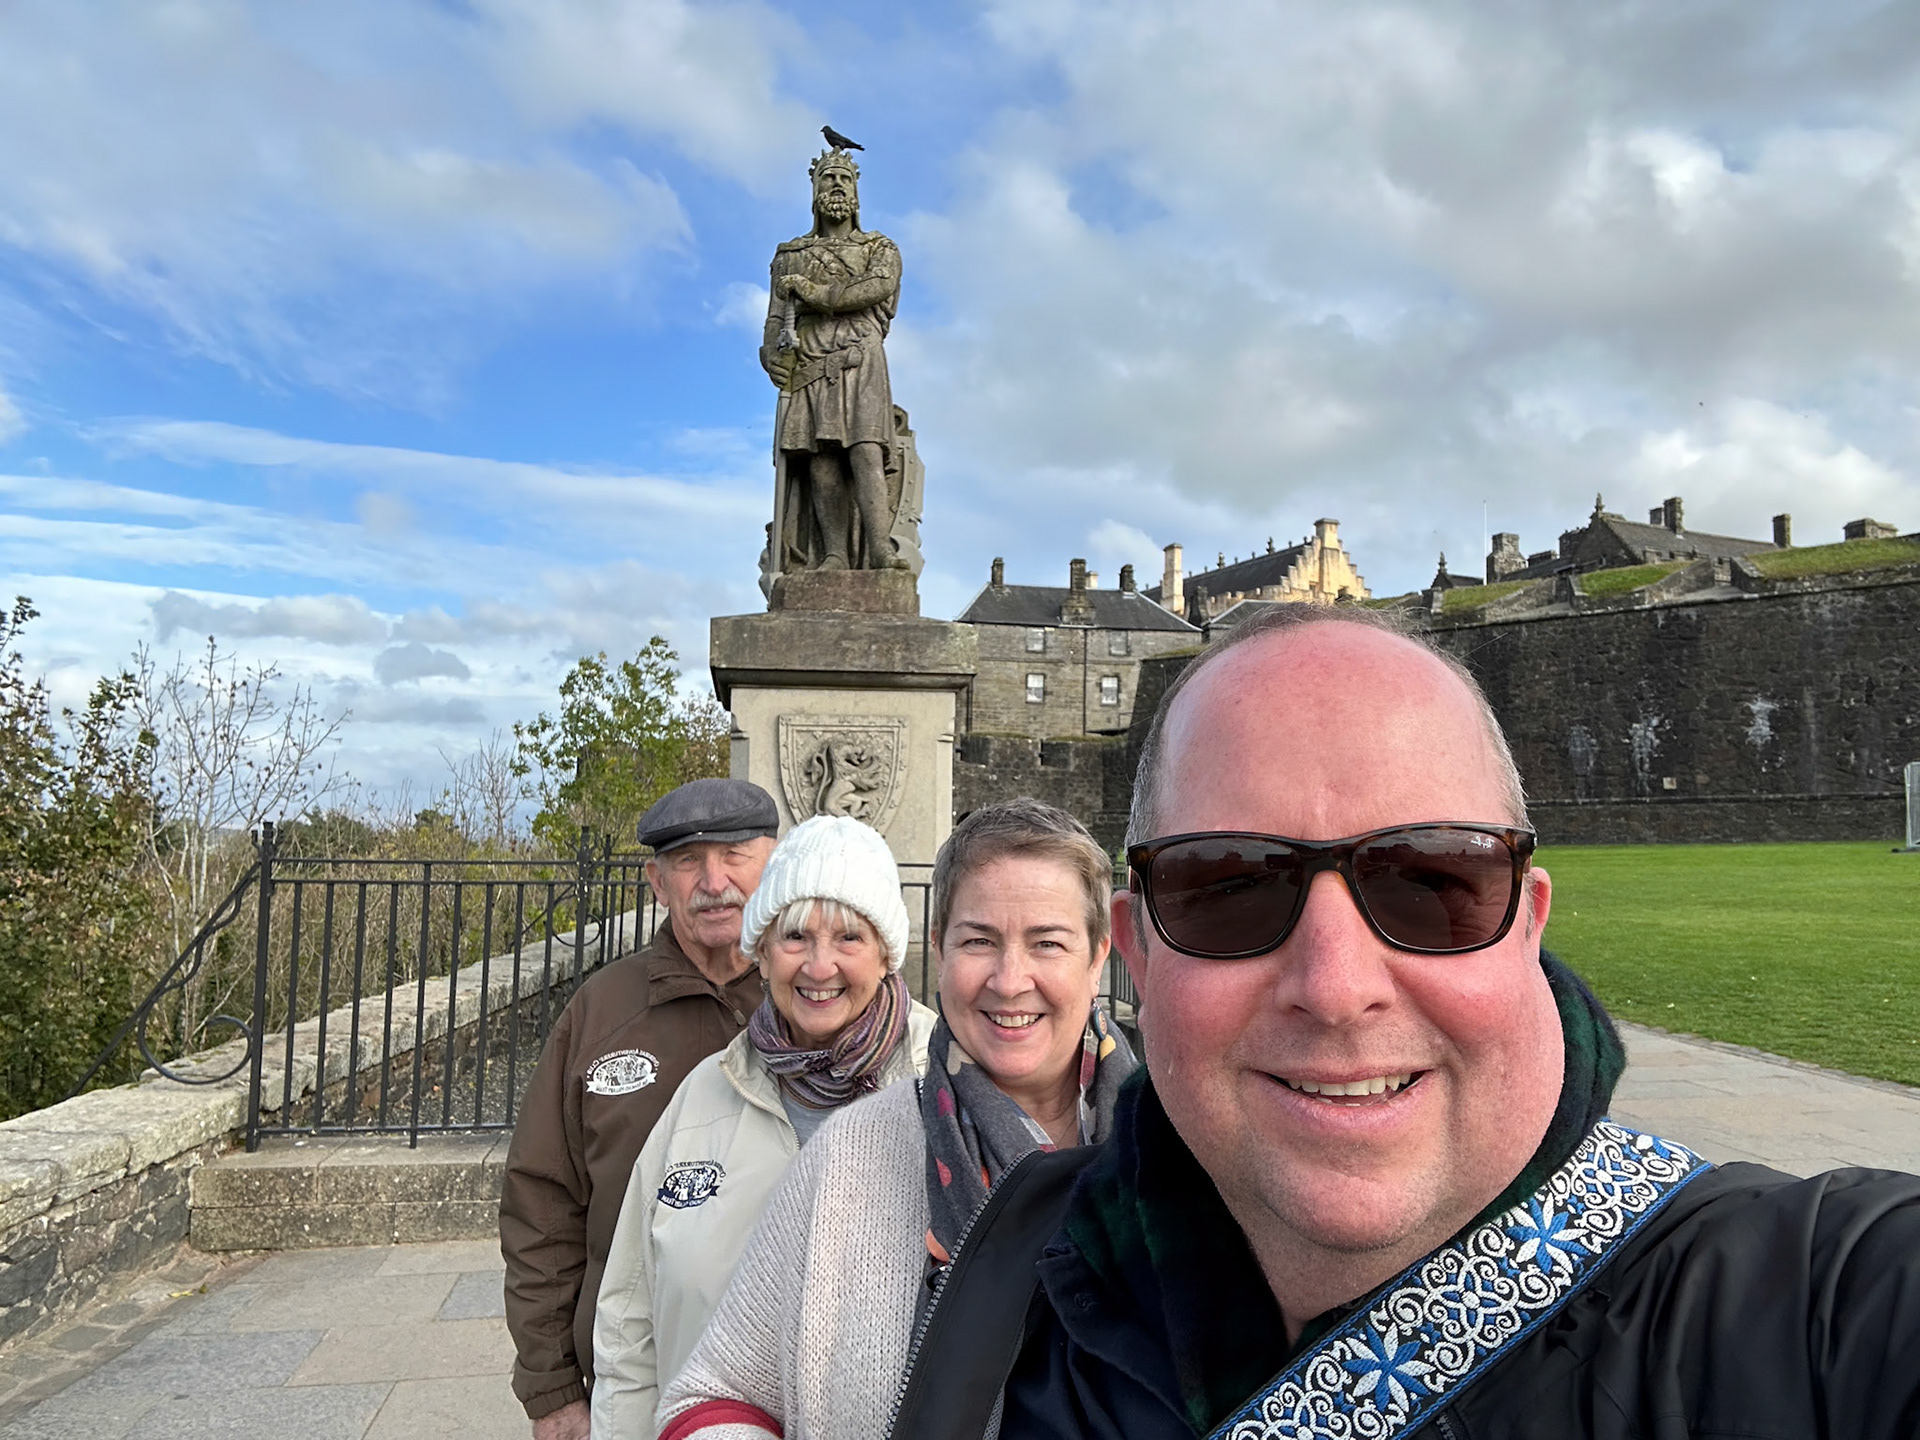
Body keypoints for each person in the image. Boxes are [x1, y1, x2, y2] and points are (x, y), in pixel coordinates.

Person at [926, 606, 1919, 1438]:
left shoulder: (1817, 1307)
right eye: (1227, 886)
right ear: (1136, 954)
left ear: (1525, 926)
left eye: (1431, 880)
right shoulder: (1016, 1269)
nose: (1336, 983)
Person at [654, 799, 1139, 1440]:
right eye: (978, 941)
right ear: (939, 948)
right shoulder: (849, 1155)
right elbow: (716, 1395)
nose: (1009, 979)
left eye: (1047, 942)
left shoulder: (1183, 1154)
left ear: (1099, 952)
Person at [589, 815, 938, 1438]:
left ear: (886, 953)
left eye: (850, 938)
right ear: (762, 951)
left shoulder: (947, 1083)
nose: (819, 965)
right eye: (795, 935)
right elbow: (628, 1325)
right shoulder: (703, 1095)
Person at [500, 778, 778, 1440]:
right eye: (688, 862)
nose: (714, 881)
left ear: (775, 863)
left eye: (735, 854)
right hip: (636, 1376)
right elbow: (542, 1202)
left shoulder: (817, 998)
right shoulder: (601, 1012)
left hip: (790, 1365)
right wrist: (553, 1389)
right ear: (657, 882)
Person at [761, 146, 906, 574]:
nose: (837, 185)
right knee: (820, 459)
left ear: (857, 193)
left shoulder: (880, 248)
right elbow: (773, 319)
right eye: (828, 178)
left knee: (865, 451)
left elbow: (875, 288)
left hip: (860, 359)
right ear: (814, 191)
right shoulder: (790, 255)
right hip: (809, 361)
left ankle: (880, 549)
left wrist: (811, 291)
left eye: (845, 178)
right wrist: (770, 355)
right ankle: (834, 553)